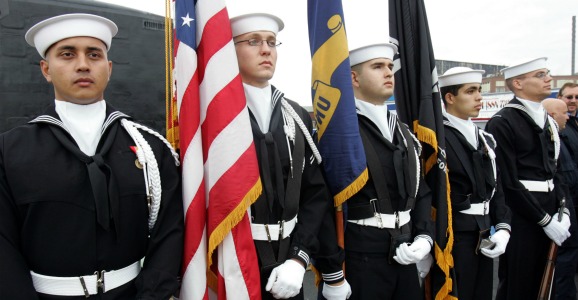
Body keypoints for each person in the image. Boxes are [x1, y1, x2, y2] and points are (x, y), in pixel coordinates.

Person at [0, 14, 183, 299]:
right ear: (46, 69)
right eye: (67, 54)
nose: (83, 64)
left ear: (108, 68)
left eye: (94, 54)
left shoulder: (150, 148)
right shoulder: (9, 151)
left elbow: (169, 230)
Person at [230, 12, 350, 300]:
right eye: (253, 41)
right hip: (233, 266)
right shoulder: (217, 119)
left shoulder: (295, 114)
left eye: (272, 42)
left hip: (288, 265)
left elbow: (314, 194)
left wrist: (299, 259)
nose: (266, 49)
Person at [341, 42, 433, 300]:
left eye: (390, 66)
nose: (388, 72)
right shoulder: (341, 134)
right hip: (362, 255)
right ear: (353, 77)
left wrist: (424, 236)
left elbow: (421, 191)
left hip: (405, 247)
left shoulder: (405, 134)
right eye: (378, 66)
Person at [485, 58, 571, 300]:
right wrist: (544, 220)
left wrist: (562, 212)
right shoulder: (503, 122)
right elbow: (508, 182)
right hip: (522, 217)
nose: (548, 78)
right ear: (518, 83)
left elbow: (557, 173)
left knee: (545, 286)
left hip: (551, 210)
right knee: (518, 285)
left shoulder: (548, 122)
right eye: (540, 74)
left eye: (547, 72)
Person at [438, 67, 512, 300]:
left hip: (484, 231)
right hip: (455, 235)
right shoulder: (437, 138)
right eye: (470, 91)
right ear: (450, 97)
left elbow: (496, 188)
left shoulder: (485, 139)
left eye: (479, 90)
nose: (479, 97)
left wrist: (502, 227)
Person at [543, 98, 578, 300]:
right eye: (564, 112)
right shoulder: (551, 138)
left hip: (568, 206)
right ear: (553, 115)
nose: (568, 116)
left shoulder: (560, 135)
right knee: (563, 267)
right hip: (561, 208)